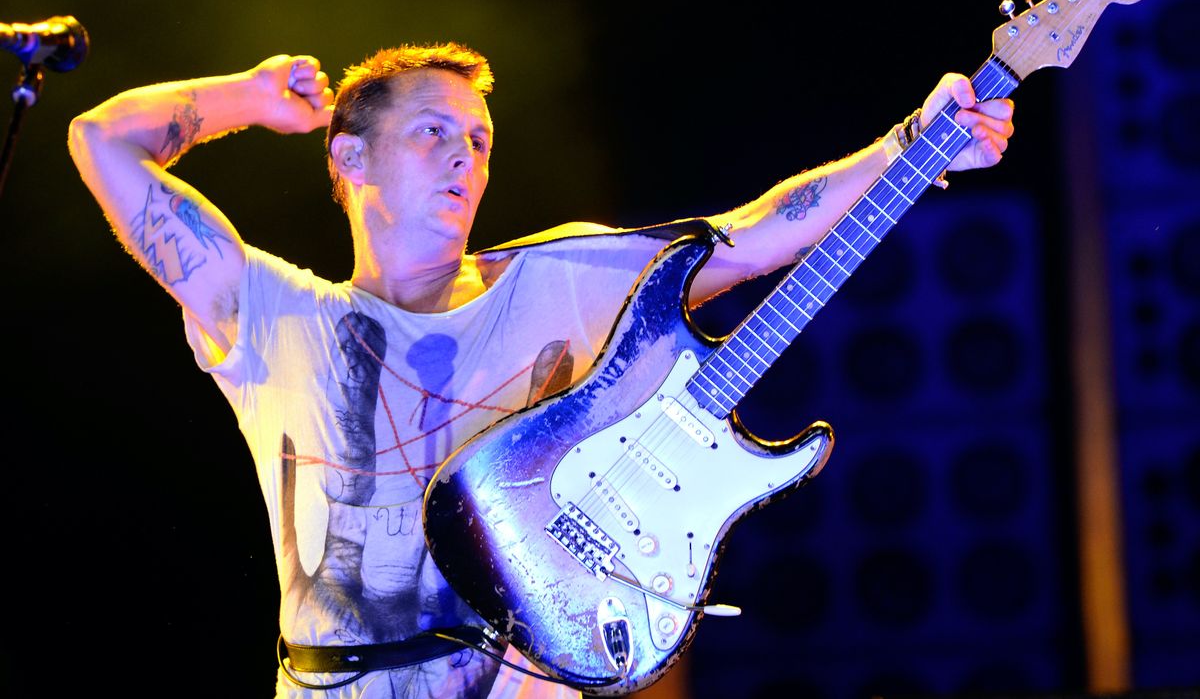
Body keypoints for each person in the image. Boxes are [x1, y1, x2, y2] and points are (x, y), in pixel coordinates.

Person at [67, 43, 1014, 698]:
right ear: (350, 157)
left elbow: (756, 232)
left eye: (479, 140)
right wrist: (247, 97)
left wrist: (915, 142)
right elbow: (100, 141)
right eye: (435, 131)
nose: (465, 157)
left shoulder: (557, 275)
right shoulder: (282, 316)